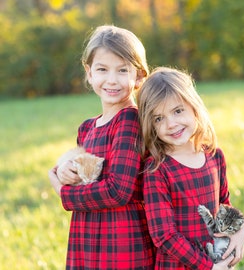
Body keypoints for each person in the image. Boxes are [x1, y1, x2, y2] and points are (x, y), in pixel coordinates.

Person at [48, 25, 155, 269]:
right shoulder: (87, 128)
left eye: (122, 70)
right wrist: (66, 170)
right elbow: (85, 172)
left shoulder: (128, 121)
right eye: (102, 69)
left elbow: (118, 190)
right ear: (89, 73)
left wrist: (65, 194)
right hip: (88, 238)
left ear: (138, 76)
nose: (111, 80)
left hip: (121, 242)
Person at [136, 67, 244, 269]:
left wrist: (243, 227)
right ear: (150, 125)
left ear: (194, 107)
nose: (171, 124)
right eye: (159, 118)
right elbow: (164, 235)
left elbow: (224, 205)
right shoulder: (157, 171)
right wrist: (208, 266)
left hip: (217, 258)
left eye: (178, 111)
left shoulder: (214, 156)